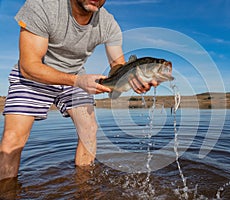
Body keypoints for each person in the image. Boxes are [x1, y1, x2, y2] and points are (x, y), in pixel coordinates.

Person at [0, 0, 158, 181]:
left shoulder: (108, 23)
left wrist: (134, 80)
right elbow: (29, 66)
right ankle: (5, 191)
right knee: (13, 140)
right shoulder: (42, 5)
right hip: (36, 73)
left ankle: (84, 188)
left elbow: (118, 66)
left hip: (75, 75)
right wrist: (77, 81)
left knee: (89, 130)